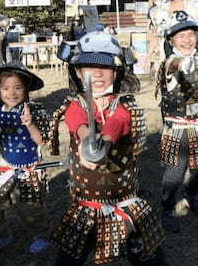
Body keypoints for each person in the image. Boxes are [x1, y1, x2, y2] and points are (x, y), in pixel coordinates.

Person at [51, 31, 166, 266]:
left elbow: (118, 121)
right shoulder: (75, 105)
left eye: (105, 66)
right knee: (68, 261)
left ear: (117, 70)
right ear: (77, 71)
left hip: (124, 202)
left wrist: (104, 141)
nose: (98, 74)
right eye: (89, 67)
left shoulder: (126, 106)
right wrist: (86, 141)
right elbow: (77, 121)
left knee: (150, 259)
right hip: (86, 205)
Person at [0, 62, 52, 257]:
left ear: (26, 89)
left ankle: (41, 236)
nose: (11, 93)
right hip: (5, 167)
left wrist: (29, 124)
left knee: (30, 209)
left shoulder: (34, 110)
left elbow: (41, 140)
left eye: (17, 87)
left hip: (29, 168)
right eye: (6, 88)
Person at [155, 11, 198, 230]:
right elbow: (179, 73)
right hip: (176, 126)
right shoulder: (169, 63)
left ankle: (191, 193)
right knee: (175, 173)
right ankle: (166, 208)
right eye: (180, 35)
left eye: (191, 34)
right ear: (171, 40)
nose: (187, 40)